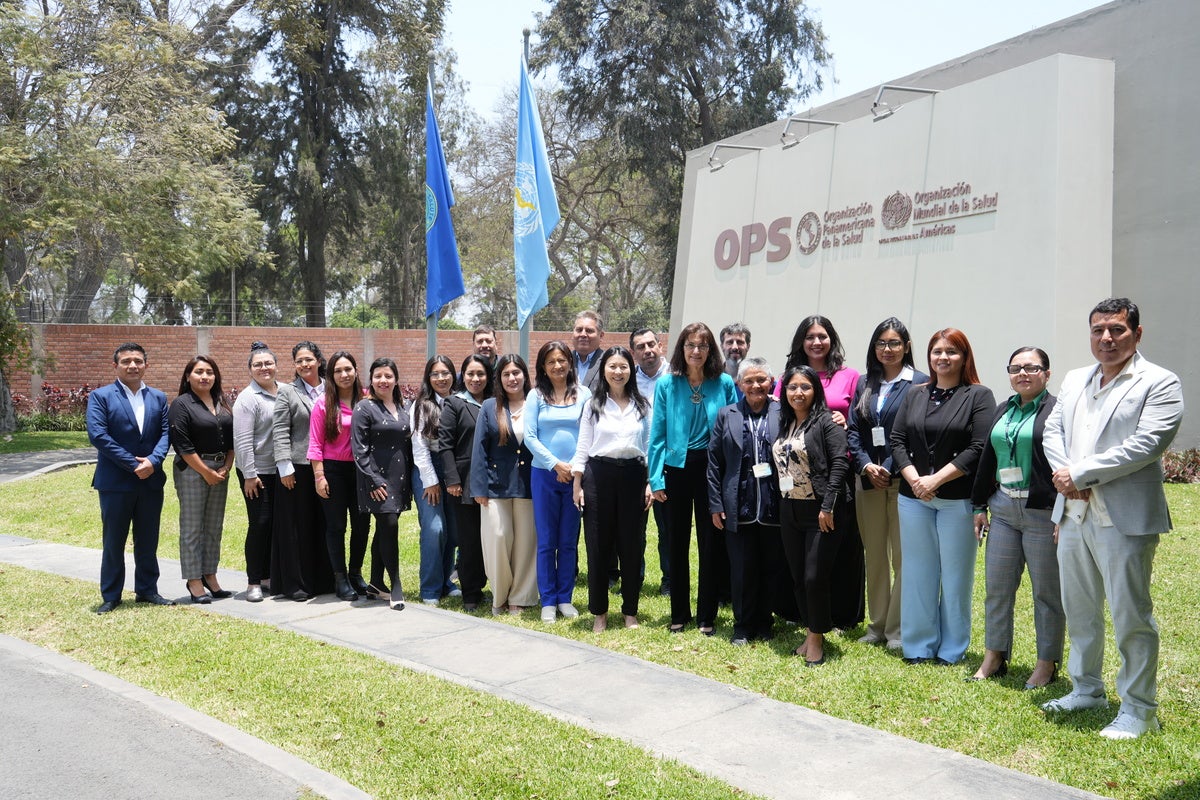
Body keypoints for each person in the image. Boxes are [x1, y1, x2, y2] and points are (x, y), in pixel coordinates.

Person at [1041, 298, 1183, 739]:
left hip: (1123, 517)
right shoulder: (1074, 379)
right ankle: (1086, 689)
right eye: (1099, 329)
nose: (1107, 338)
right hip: (1074, 513)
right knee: (1080, 610)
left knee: (1130, 615)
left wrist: (1081, 473)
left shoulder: (1159, 381)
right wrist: (1067, 478)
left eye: (1117, 330)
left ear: (1137, 334)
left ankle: (1140, 709)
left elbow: (1149, 443)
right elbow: (1053, 430)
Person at [891, 328, 995, 665]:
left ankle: (951, 649)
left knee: (955, 576)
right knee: (918, 573)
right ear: (929, 356)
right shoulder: (916, 393)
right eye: (937, 351)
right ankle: (918, 646)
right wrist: (915, 480)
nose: (943, 357)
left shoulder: (978, 395)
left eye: (952, 351)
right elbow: (897, 440)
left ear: (965, 357)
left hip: (957, 501)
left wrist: (935, 479)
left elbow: (979, 447)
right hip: (913, 499)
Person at [969, 347, 1063, 687]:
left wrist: (1062, 513)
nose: (1023, 373)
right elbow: (987, 461)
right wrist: (979, 505)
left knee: (1046, 593)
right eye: (1016, 368)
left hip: (1042, 512)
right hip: (1004, 509)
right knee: (997, 588)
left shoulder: (1056, 411)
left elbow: (1063, 463)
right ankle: (994, 655)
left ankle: (1046, 663)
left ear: (1047, 374)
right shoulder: (1002, 409)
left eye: (1031, 368)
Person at [648, 322, 738, 635]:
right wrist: (656, 478)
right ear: (681, 350)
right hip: (676, 469)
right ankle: (679, 613)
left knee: (711, 544)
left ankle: (706, 616)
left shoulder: (724, 382)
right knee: (676, 542)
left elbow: (732, 430)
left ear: (710, 350)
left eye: (702, 345)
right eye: (690, 345)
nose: (696, 351)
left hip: (712, 470)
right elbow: (657, 433)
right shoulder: (666, 384)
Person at [847, 318, 927, 649]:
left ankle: (897, 629)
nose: (888, 349)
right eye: (881, 343)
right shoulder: (866, 382)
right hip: (868, 482)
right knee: (875, 554)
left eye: (894, 343)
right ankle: (877, 626)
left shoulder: (919, 383)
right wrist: (866, 465)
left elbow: (914, 432)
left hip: (903, 482)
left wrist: (890, 467)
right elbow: (853, 430)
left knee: (903, 556)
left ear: (907, 346)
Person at [783, 314, 864, 630]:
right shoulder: (788, 377)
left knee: (841, 550)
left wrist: (843, 422)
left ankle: (842, 615)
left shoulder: (849, 376)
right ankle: (807, 615)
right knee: (803, 557)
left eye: (822, 336)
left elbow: (858, 418)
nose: (816, 342)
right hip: (796, 481)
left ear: (832, 339)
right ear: (801, 342)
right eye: (810, 337)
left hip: (835, 473)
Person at [708, 357, 790, 646]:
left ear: (771, 383)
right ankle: (742, 625)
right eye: (749, 381)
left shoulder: (784, 410)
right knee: (741, 569)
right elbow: (715, 462)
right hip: (738, 503)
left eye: (761, 380)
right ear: (740, 384)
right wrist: (716, 504)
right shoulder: (726, 414)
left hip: (774, 503)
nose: (755, 385)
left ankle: (764, 622)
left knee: (771, 566)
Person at [86, 343, 174, 612]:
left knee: (148, 539)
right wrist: (132, 464)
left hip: (150, 480)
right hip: (115, 482)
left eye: (138, 360)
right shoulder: (101, 397)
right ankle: (111, 595)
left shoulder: (158, 398)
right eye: (126, 361)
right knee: (114, 541)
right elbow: (98, 435)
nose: (133, 365)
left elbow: (165, 435)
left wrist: (153, 461)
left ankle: (147, 590)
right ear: (116, 366)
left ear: (146, 364)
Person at [773, 366, 850, 666]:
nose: (798, 393)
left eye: (805, 387)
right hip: (789, 508)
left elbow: (840, 466)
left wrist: (828, 506)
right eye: (792, 387)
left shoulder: (827, 422)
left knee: (814, 577)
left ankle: (817, 638)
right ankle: (810, 631)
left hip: (820, 511)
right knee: (798, 578)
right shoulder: (785, 422)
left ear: (815, 390)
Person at [572, 345, 651, 632]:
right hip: (598, 476)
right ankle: (600, 613)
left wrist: (651, 482)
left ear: (631, 370)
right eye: (612, 366)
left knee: (632, 545)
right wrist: (577, 484)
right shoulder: (592, 405)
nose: (618, 372)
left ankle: (630, 611)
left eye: (624, 367)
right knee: (598, 545)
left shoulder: (643, 405)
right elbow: (582, 447)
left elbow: (650, 447)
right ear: (604, 370)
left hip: (633, 476)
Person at [526, 341, 591, 623]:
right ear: (543, 366)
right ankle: (548, 601)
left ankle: (565, 598)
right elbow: (529, 436)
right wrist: (554, 463)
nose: (557, 366)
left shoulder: (585, 394)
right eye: (551, 361)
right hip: (544, 474)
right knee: (546, 541)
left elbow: (589, 433)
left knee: (568, 541)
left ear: (570, 362)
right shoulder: (536, 395)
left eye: (562, 360)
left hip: (575, 478)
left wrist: (574, 468)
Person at [470, 354, 539, 616]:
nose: (512, 378)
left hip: (531, 485)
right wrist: (479, 488)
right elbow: (480, 449)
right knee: (497, 538)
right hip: (495, 486)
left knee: (525, 543)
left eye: (516, 373)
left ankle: (519, 597)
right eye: (506, 374)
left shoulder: (536, 402)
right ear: (499, 379)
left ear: (525, 375)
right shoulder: (490, 406)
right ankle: (499, 595)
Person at [169, 354, 235, 604]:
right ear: (188, 376)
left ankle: (210, 574)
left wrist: (226, 467)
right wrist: (206, 472)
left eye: (209, 371)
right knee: (193, 527)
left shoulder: (222, 401)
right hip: (193, 470)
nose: (205, 376)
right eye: (199, 372)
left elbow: (232, 439)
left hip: (221, 469)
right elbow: (182, 445)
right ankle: (193, 580)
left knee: (214, 526)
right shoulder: (181, 404)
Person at [271, 341, 333, 601]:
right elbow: (280, 430)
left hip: (330, 466)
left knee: (326, 524)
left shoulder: (332, 388)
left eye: (309, 359)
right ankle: (297, 585)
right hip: (297, 468)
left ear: (318, 360)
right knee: (297, 527)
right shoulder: (287, 392)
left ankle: (326, 581)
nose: (305, 364)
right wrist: (284, 466)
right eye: (299, 361)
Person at [308, 350, 370, 602]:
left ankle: (356, 573)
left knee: (362, 524)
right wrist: (319, 477)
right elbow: (315, 443)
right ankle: (340, 578)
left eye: (348, 369)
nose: (344, 374)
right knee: (336, 526)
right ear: (331, 375)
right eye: (338, 371)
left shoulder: (368, 400)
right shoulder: (323, 404)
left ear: (356, 371)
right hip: (333, 470)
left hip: (362, 471)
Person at [351, 357, 412, 611]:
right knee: (389, 524)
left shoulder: (404, 405)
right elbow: (359, 449)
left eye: (388, 376)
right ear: (370, 380)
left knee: (385, 527)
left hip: (400, 478)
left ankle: (376, 583)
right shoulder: (364, 408)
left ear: (395, 379)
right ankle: (395, 583)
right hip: (374, 479)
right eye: (378, 376)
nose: (383, 381)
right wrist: (373, 480)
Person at [435, 354, 494, 612]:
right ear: (463, 376)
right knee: (469, 540)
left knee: (490, 537)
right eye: (470, 374)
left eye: (480, 374)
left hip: (494, 480)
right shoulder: (454, 403)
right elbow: (444, 445)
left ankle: (490, 585)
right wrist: (452, 480)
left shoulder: (495, 403)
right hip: (464, 481)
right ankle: (470, 592)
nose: (475, 379)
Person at [410, 355, 460, 605]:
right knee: (434, 529)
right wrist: (430, 480)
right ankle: (430, 588)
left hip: (452, 471)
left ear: (453, 374)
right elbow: (419, 446)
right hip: (427, 470)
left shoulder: (460, 401)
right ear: (428, 378)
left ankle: (446, 582)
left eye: (445, 373)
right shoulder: (421, 405)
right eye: (435, 374)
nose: (441, 378)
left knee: (451, 531)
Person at [233, 342, 279, 602]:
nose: (264, 368)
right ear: (250, 369)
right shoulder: (247, 399)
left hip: (282, 471)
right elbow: (242, 441)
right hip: (256, 473)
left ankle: (268, 575)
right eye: (258, 364)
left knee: (275, 525)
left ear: (276, 365)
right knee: (259, 523)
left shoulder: (284, 391)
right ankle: (253, 581)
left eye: (268, 363)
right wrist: (249, 474)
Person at [632, 327, 672, 596]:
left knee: (668, 526)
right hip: (635, 460)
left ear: (660, 346)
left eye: (651, 345)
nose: (647, 350)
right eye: (640, 347)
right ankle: (635, 575)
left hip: (667, 461)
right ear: (634, 353)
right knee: (634, 525)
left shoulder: (674, 377)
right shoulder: (627, 379)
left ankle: (669, 580)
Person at [572, 310, 605, 390]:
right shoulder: (563, 360)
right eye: (579, 330)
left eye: (589, 331)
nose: (583, 334)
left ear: (601, 336)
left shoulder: (608, 361)